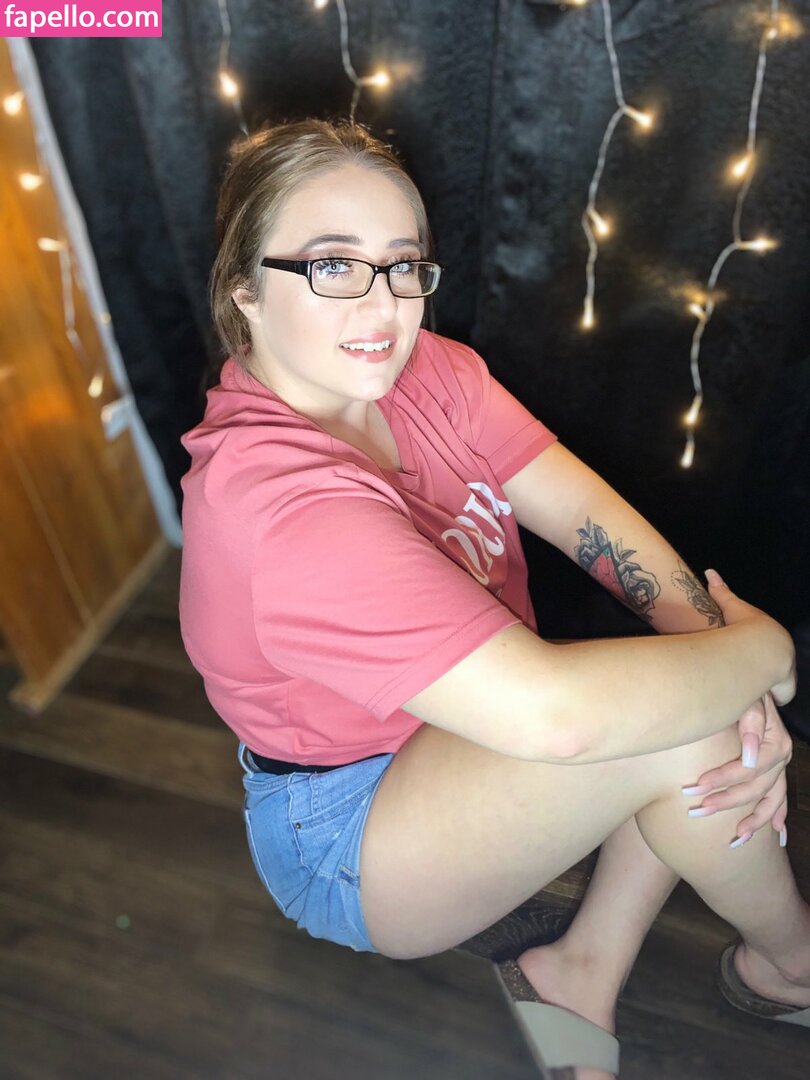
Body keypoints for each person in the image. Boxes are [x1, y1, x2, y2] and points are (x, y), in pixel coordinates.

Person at [179, 118, 809, 1080]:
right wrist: (764, 657)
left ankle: (581, 970)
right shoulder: (279, 509)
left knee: (690, 696)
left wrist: (721, 658)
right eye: (333, 266)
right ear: (244, 290)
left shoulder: (427, 370)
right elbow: (558, 718)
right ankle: (793, 964)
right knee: (691, 724)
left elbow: (592, 521)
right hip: (347, 825)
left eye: (402, 265)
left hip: (475, 719)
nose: (384, 304)